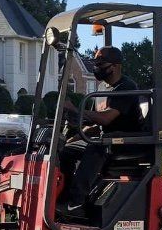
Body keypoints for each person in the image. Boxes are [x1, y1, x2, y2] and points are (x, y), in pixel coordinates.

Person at [58, 45, 144, 211]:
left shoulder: (126, 87)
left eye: (101, 63)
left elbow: (106, 118)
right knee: (66, 151)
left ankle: (77, 202)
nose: (96, 67)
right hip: (109, 137)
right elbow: (98, 124)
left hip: (129, 140)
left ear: (116, 66)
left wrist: (76, 109)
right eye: (95, 63)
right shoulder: (102, 88)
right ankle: (65, 195)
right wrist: (78, 135)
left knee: (97, 147)